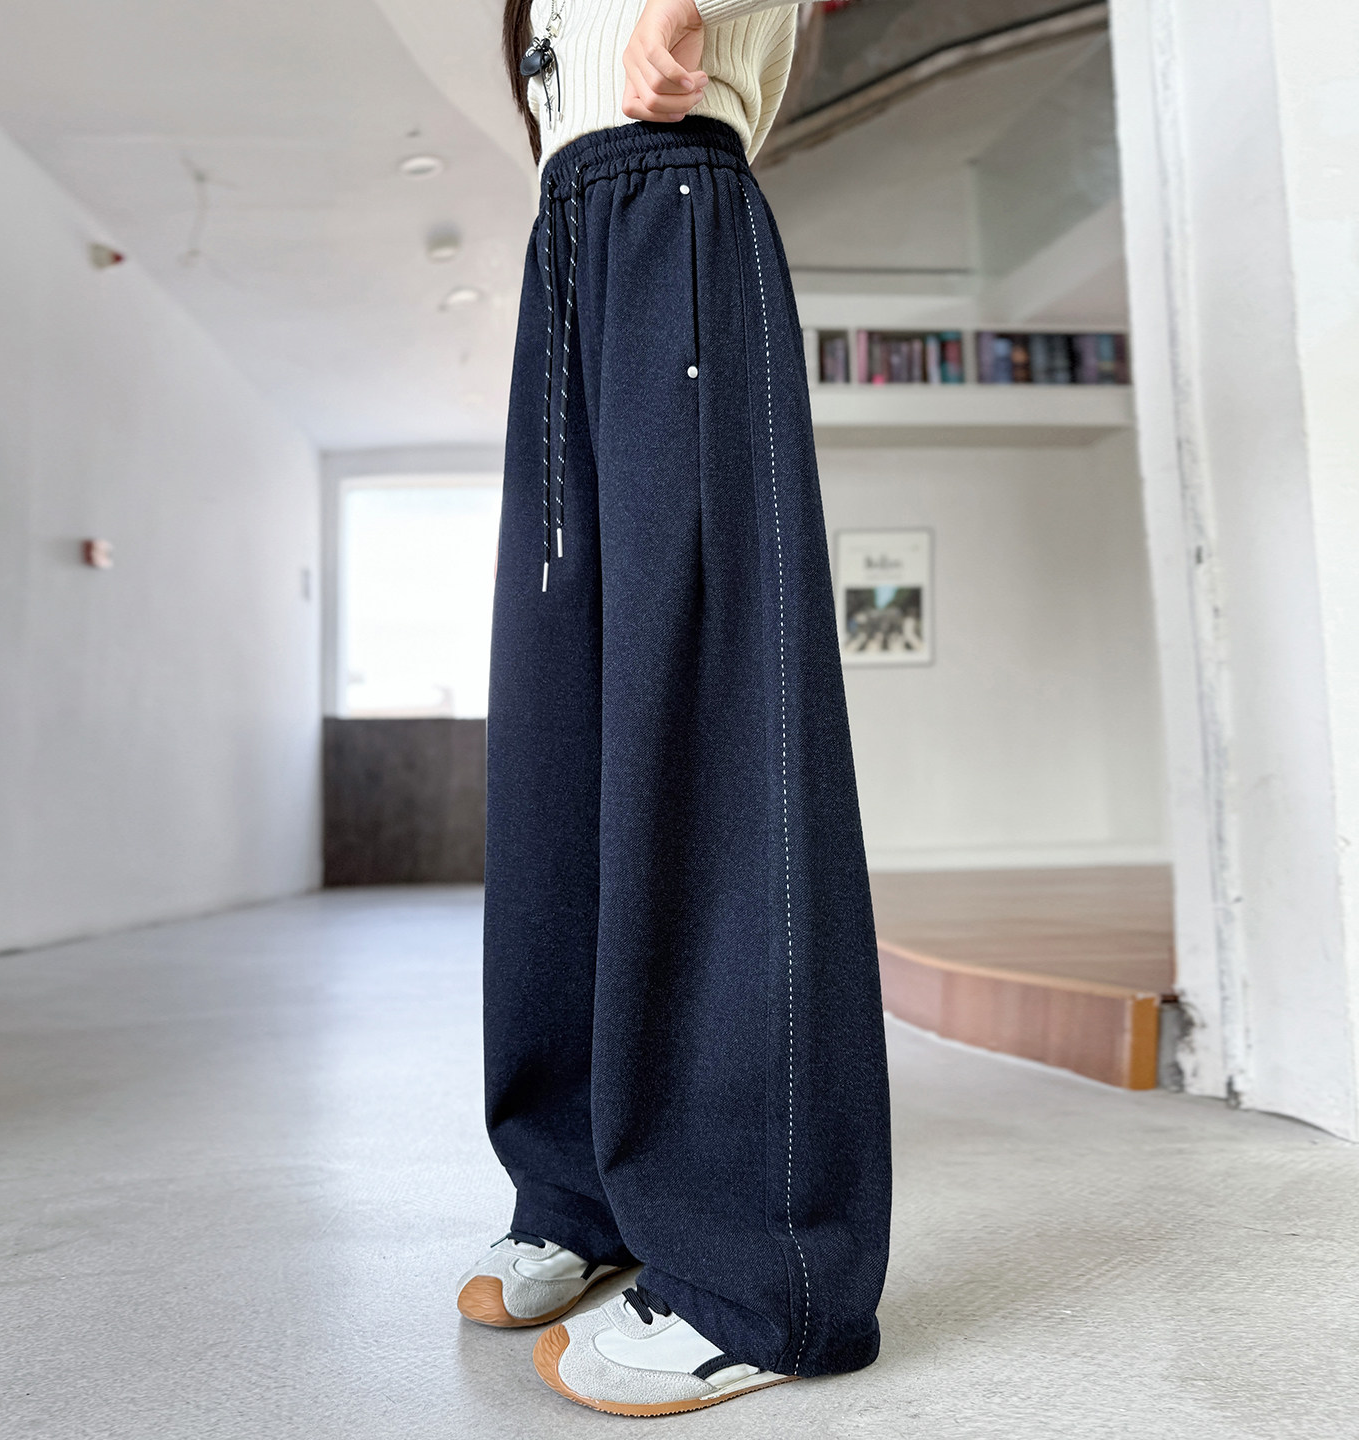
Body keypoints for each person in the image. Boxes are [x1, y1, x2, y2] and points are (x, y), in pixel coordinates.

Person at [455, 0, 892, 1416]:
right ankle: (577, 1186)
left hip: (676, 197)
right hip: (568, 232)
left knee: (710, 729)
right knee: (560, 736)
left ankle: (765, 1272)